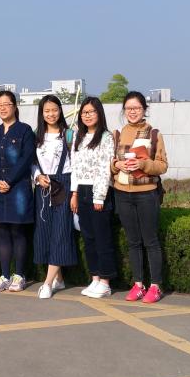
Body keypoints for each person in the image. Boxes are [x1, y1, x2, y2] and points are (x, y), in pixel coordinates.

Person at [111, 90, 169, 303]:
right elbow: (110, 163)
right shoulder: (117, 134)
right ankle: (138, 284)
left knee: (150, 241)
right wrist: (117, 164)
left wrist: (142, 164)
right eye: (128, 108)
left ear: (144, 109)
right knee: (133, 241)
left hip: (146, 194)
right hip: (122, 193)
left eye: (136, 108)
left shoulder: (154, 134)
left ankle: (155, 286)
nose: (132, 112)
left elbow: (162, 165)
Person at [0, 90, 36, 292]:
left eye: (7, 104)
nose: (3, 108)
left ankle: (19, 275)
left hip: (18, 188)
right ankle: (4, 275)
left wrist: (9, 180)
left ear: (15, 106)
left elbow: (27, 158)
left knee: (18, 230)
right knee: (2, 231)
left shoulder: (25, 130)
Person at [31, 95, 78, 299]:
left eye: (54, 110)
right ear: (42, 113)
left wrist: (75, 193)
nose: (51, 114)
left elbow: (76, 165)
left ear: (60, 111)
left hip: (64, 186)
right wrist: (37, 176)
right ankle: (59, 278)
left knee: (60, 232)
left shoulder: (70, 135)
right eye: (47, 111)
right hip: (43, 187)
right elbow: (31, 162)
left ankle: (47, 283)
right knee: (44, 233)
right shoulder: (36, 135)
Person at [70, 96, 116, 299]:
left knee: (102, 238)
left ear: (99, 114)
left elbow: (105, 168)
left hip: (99, 192)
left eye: (91, 112)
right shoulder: (79, 137)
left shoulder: (106, 137)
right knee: (88, 238)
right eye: (84, 112)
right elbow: (75, 167)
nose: (87, 116)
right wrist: (74, 193)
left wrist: (99, 197)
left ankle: (105, 282)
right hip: (82, 190)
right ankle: (95, 278)